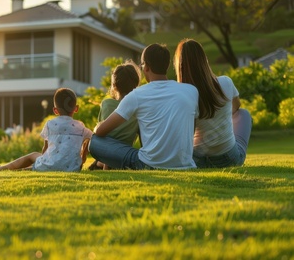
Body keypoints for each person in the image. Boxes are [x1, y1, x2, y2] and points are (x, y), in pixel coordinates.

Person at [89, 43, 199, 170]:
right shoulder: (191, 91)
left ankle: (103, 164)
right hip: (185, 164)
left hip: (148, 164)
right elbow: (192, 129)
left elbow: (101, 131)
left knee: (95, 142)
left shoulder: (137, 95)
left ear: (146, 67)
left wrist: (97, 127)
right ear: (167, 65)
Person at [174, 38, 252, 168]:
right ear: (204, 60)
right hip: (228, 159)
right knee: (244, 114)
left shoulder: (183, 96)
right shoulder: (226, 82)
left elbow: (186, 134)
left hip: (198, 160)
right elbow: (236, 107)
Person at [0, 88, 93, 172]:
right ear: (76, 108)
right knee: (41, 165)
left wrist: (45, 161)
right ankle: (22, 169)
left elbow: (45, 149)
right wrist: (83, 155)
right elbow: (93, 138)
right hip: (72, 168)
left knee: (33, 156)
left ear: (55, 110)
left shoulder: (50, 124)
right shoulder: (81, 127)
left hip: (51, 164)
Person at [88, 61, 141, 170]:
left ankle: (102, 163)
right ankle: (102, 163)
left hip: (106, 151)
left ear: (114, 86)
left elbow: (100, 131)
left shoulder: (106, 104)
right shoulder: (138, 109)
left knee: (95, 138)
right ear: (136, 84)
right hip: (125, 152)